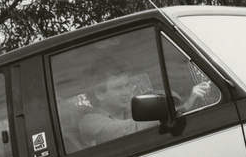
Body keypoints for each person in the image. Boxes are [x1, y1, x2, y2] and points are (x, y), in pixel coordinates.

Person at [78, 58, 212, 147]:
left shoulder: (132, 110)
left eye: (127, 85)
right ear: (99, 94)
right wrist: (182, 108)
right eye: (118, 88)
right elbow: (130, 129)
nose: (126, 92)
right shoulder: (89, 122)